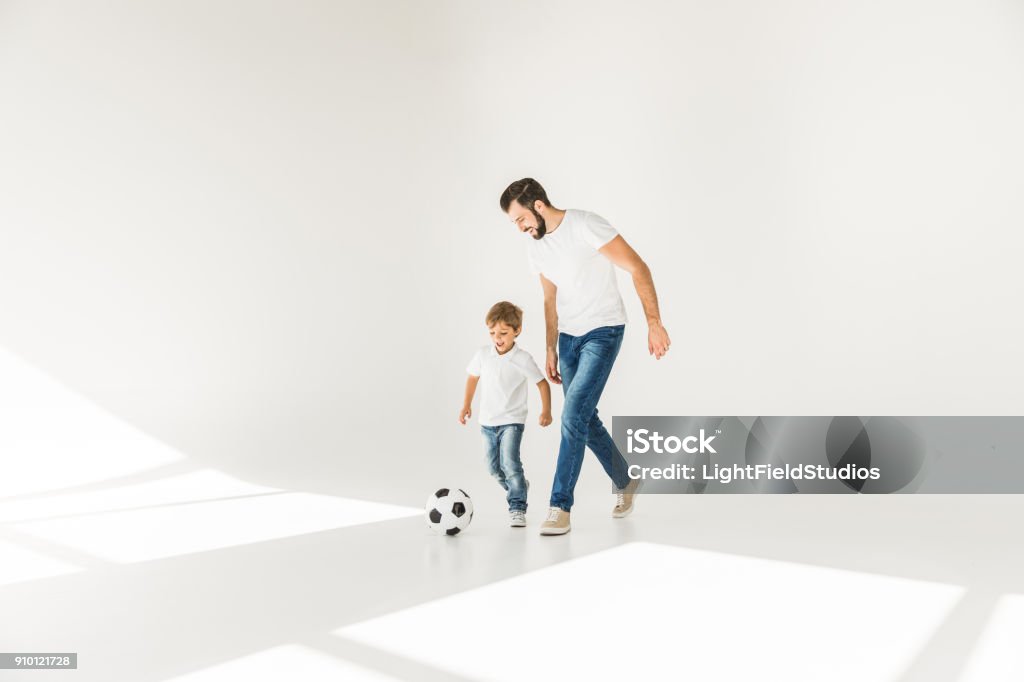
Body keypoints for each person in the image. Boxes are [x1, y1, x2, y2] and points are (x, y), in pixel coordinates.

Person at [499, 178, 671, 535]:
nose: (520, 228)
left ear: (539, 206)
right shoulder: (536, 247)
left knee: (573, 414)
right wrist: (549, 346)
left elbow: (638, 267)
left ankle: (560, 506)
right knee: (584, 418)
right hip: (567, 339)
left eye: (521, 219)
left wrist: (654, 323)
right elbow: (549, 299)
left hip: (604, 330)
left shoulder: (585, 225)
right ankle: (625, 481)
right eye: (515, 223)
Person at [459, 301, 553, 527]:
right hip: (487, 422)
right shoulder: (483, 355)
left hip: (512, 421)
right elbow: (473, 377)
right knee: (492, 467)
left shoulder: (522, 359)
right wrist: (466, 405)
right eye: (492, 333)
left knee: (510, 463)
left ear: (517, 331)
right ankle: (519, 486)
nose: (497, 338)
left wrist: (546, 411)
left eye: (503, 333)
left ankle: (517, 506)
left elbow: (542, 383)